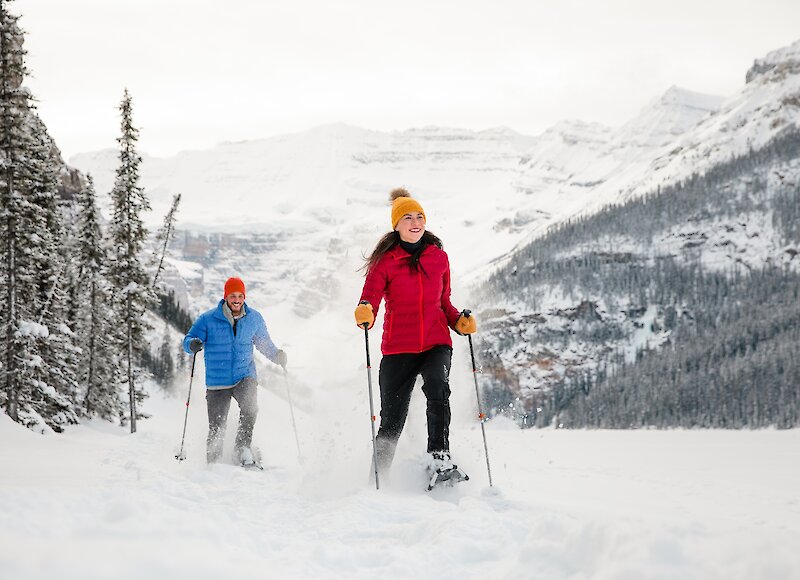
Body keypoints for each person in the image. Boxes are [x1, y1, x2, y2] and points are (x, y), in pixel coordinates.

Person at [354, 188, 477, 478]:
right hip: (399, 348)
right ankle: (379, 476)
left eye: (419, 216)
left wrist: (458, 322)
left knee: (437, 387)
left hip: (436, 342)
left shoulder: (439, 258)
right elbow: (370, 296)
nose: (415, 222)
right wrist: (366, 311)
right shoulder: (385, 261)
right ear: (396, 225)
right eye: (407, 217)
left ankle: (440, 459)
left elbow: (444, 302)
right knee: (392, 420)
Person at [183, 277, 287, 465]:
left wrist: (276, 355)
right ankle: (213, 463)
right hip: (217, 381)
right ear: (226, 297)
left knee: (250, 408)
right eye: (233, 296)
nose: (237, 300)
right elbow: (189, 339)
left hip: (244, 376)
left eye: (240, 295)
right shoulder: (208, 319)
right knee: (217, 426)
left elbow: (263, 343)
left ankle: (242, 449)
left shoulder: (254, 318)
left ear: (244, 296)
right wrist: (192, 344)